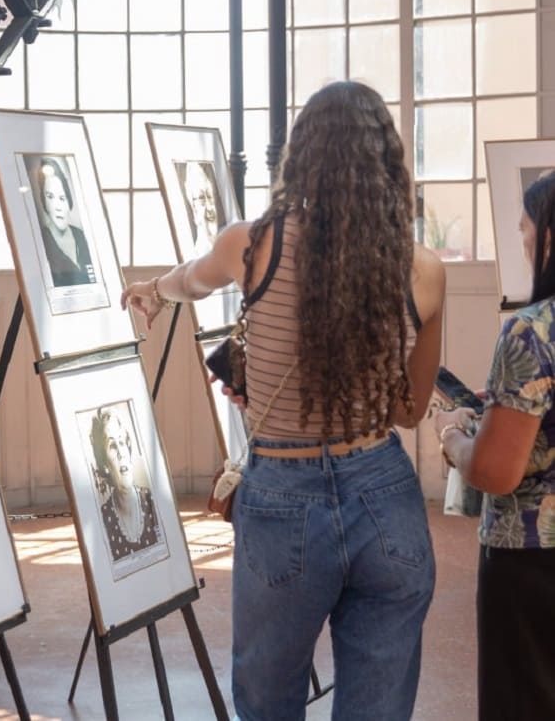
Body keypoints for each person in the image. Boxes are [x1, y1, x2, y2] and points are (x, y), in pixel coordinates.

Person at [122, 80, 446, 721]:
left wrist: (153, 289)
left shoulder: (252, 244)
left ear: (302, 156)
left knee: (269, 703)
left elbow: (189, 281)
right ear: (386, 161)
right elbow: (409, 410)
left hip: (283, 494)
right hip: (384, 491)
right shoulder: (421, 269)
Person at [435, 170, 555, 720]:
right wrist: (510, 404)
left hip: (530, 564)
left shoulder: (531, 331)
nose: (523, 238)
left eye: (525, 226)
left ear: (549, 237)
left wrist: (456, 437)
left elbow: (495, 472)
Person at [89, 406, 161, 560]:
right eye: (113, 446)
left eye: (122, 442)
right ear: (105, 465)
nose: (121, 453)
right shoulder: (103, 517)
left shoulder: (153, 501)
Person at [35, 158, 95, 287]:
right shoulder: (38, 241)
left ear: (69, 202)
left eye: (62, 198)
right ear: (44, 201)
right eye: (50, 197)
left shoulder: (82, 236)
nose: (57, 206)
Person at [182, 161, 223, 257]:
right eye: (201, 199)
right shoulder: (196, 254)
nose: (209, 207)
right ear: (193, 209)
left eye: (209, 196)